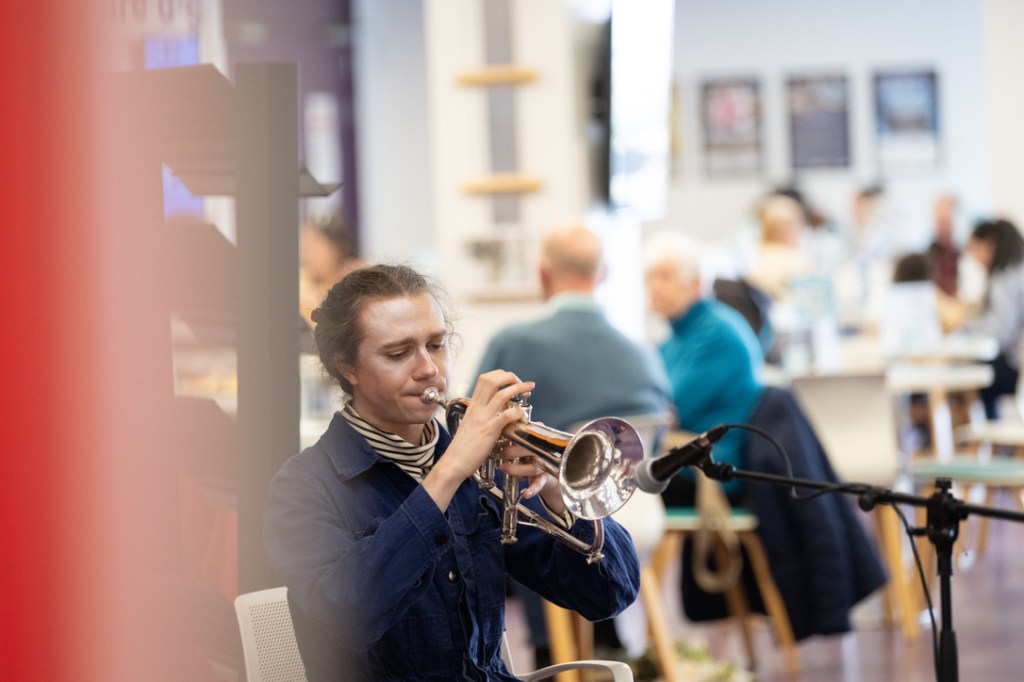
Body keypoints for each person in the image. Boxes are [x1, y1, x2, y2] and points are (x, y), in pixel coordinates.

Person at [263, 263, 640, 681]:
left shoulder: (483, 472)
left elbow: (609, 595)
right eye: (398, 353)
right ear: (347, 368)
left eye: (436, 345)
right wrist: (446, 474)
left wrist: (558, 494)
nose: (428, 369)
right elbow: (351, 615)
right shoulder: (302, 487)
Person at [474, 220, 671, 668]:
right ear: (602, 275)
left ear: (544, 275)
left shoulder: (513, 341)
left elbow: (474, 430)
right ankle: (609, 638)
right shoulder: (643, 351)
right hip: (635, 515)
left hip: (557, 521)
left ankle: (547, 650)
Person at [643, 230, 764, 505]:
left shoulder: (719, 333)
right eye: (650, 277)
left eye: (666, 276)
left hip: (712, 470)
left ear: (696, 283)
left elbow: (670, 412)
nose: (655, 287)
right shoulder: (672, 337)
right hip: (681, 457)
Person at [960, 218, 1024, 419]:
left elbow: (1001, 331)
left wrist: (967, 324)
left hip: (1017, 369)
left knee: (975, 374)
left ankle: (987, 432)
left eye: (976, 248)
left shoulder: (1004, 277)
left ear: (991, 245)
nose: (975, 256)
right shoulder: (1018, 271)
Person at [298, 213, 365, 328]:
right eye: (306, 247)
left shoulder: (360, 281)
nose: (308, 254)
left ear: (340, 248)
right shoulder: (301, 282)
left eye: (316, 244)